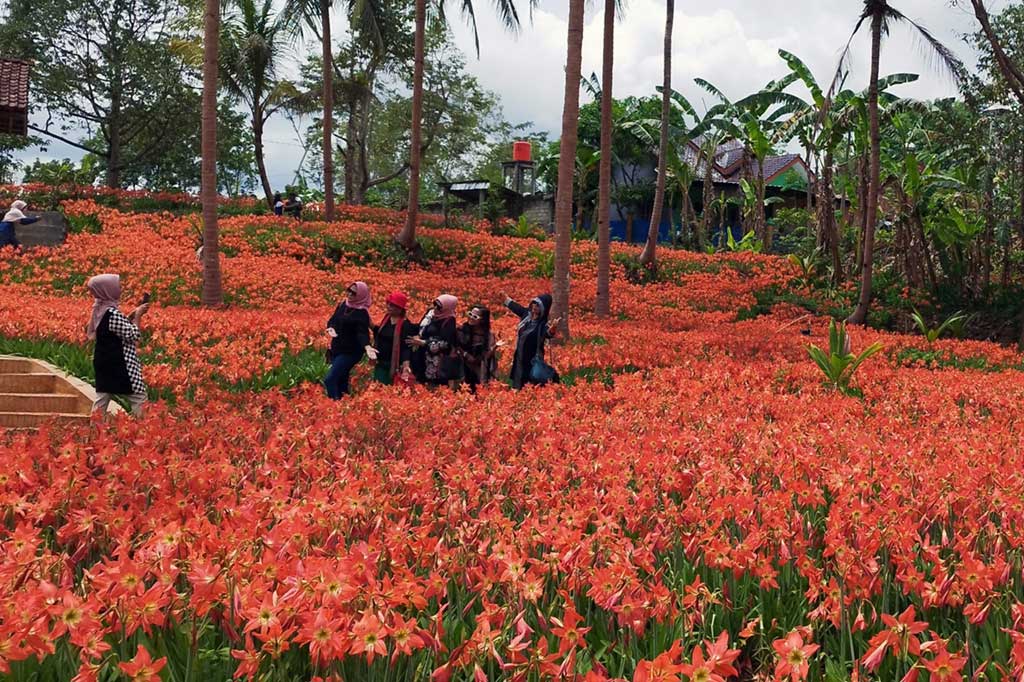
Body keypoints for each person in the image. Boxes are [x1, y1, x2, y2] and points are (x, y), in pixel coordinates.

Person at [86, 274, 149, 416]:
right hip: (119, 363)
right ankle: (145, 430)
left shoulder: (99, 310)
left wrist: (130, 316)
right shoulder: (112, 313)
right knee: (139, 397)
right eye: (118, 286)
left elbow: (112, 330)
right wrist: (138, 316)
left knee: (102, 399)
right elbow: (134, 335)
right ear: (108, 289)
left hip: (103, 362)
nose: (120, 289)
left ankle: (93, 433)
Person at [503, 292, 561, 389]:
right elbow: (516, 308)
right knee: (518, 379)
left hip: (532, 359)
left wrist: (553, 328)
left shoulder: (543, 324)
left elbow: (548, 334)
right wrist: (506, 298)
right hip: (520, 355)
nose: (535, 306)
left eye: (538, 305)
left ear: (543, 308)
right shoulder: (526, 315)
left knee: (529, 381)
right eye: (534, 303)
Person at [324, 281, 371, 398]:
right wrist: (331, 328)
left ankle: (334, 406)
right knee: (341, 380)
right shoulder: (343, 305)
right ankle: (346, 406)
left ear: (361, 295)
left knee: (330, 379)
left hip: (350, 353)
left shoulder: (362, 313)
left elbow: (362, 333)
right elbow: (333, 320)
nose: (349, 294)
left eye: (353, 293)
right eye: (348, 290)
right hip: (337, 349)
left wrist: (367, 346)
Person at [407, 294, 458, 387]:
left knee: (432, 388)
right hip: (420, 356)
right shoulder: (430, 313)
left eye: (439, 307)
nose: (435, 308)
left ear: (447, 308)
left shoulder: (449, 321)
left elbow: (445, 343)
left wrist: (424, 343)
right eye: (434, 304)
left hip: (435, 363)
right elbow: (420, 327)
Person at [372, 290, 415, 385]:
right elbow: (380, 335)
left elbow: (406, 347)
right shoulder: (386, 318)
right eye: (388, 303)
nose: (388, 307)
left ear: (400, 308)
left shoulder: (405, 324)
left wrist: (406, 366)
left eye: (392, 305)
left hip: (394, 366)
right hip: (380, 363)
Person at [457, 305, 499, 391]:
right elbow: (456, 345)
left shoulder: (488, 335)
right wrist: (466, 355)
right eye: (470, 314)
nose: (471, 317)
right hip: (462, 368)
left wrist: (494, 347)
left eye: (475, 316)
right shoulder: (461, 329)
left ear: (482, 320)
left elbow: (487, 355)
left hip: (480, 370)